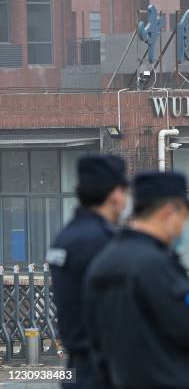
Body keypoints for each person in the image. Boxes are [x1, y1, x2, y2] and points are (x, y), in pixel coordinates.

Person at [83, 171, 189, 389]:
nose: (183, 227)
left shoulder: (103, 260)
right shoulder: (155, 264)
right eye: (184, 218)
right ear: (169, 212)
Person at [47, 154, 128, 388]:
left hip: (77, 370)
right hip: (107, 372)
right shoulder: (104, 242)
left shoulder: (66, 237)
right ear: (115, 194)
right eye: (125, 191)